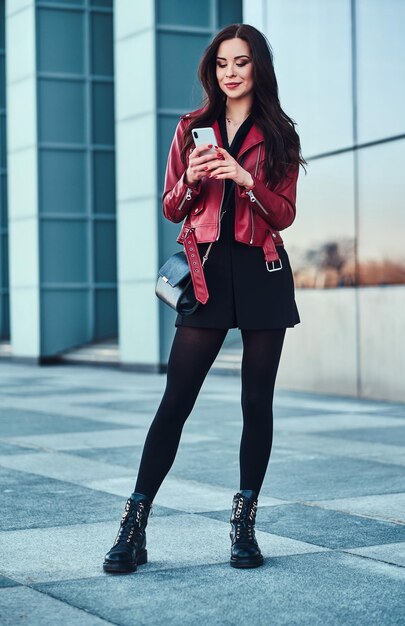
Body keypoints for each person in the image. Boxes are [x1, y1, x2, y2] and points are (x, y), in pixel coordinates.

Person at [103, 23, 305, 574]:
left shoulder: (280, 133)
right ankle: (133, 527)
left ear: (257, 67)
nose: (231, 72)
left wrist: (244, 178)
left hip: (262, 269)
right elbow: (173, 206)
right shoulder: (192, 127)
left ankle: (243, 528)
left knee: (255, 404)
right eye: (222, 64)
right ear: (212, 71)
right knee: (176, 401)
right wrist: (193, 179)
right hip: (208, 269)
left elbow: (284, 214)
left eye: (241, 62)